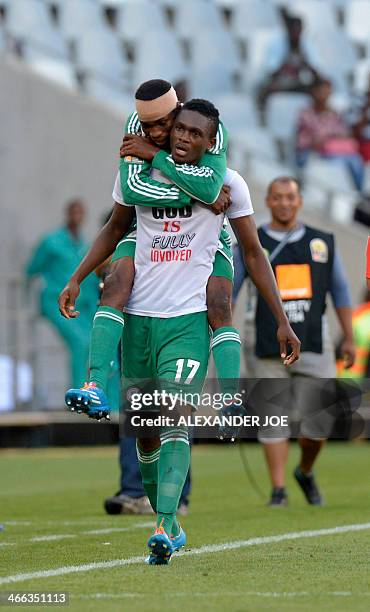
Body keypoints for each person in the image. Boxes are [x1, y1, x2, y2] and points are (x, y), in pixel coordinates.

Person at [59, 100, 300, 564]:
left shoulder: (228, 184)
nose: (184, 138)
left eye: (196, 133)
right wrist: (77, 275)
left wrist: (282, 319)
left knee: (173, 420)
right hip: (140, 324)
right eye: (179, 130)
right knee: (146, 434)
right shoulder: (138, 175)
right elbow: (114, 227)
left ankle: (166, 523)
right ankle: (164, 514)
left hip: (187, 323)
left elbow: (253, 253)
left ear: (213, 142)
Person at [233, 176, 355, 507]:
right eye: (277, 197)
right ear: (268, 201)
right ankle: (278, 490)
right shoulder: (251, 240)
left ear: (300, 201)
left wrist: (349, 338)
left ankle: (304, 470)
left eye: (290, 197)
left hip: (314, 341)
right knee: (272, 418)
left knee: (320, 422)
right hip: (264, 341)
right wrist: (222, 328)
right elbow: (231, 287)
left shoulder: (322, 242)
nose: (284, 202)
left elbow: (340, 291)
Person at [25, 200, 99, 389]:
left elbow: (89, 282)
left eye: (80, 212)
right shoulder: (52, 242)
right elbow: (32, 269)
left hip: (78, 306)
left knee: (95, 343)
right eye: (73, 212)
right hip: (55, 302)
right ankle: (79, 394)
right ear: (67, 214)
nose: (77, 216)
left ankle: (93, 393)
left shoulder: (83, 246)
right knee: (80, 342)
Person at [296, 78, 365, 191]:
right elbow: (303, 139)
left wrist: (337, 137)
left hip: (332, 150)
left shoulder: (333, 113)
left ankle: (359, 194)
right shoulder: (306, 113)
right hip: (313, 152)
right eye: (322, 91)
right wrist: (319, 140)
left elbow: (343, 132)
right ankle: (301, 183)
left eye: (328, 92)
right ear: (314, 92)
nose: (325, 95)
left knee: (355, 160)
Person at [259, 15, 320, 112]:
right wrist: (286, 65)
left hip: (300, 83)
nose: (296, 33)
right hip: (281, 83)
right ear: (288, 30)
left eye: (298, 30)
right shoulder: (276, 45)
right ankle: (264, 116)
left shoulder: (306, 45)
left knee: (320, 89)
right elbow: (271, 73)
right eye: (293, 30)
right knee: (266, 89)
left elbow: (316, 72)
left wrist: (305, 63)